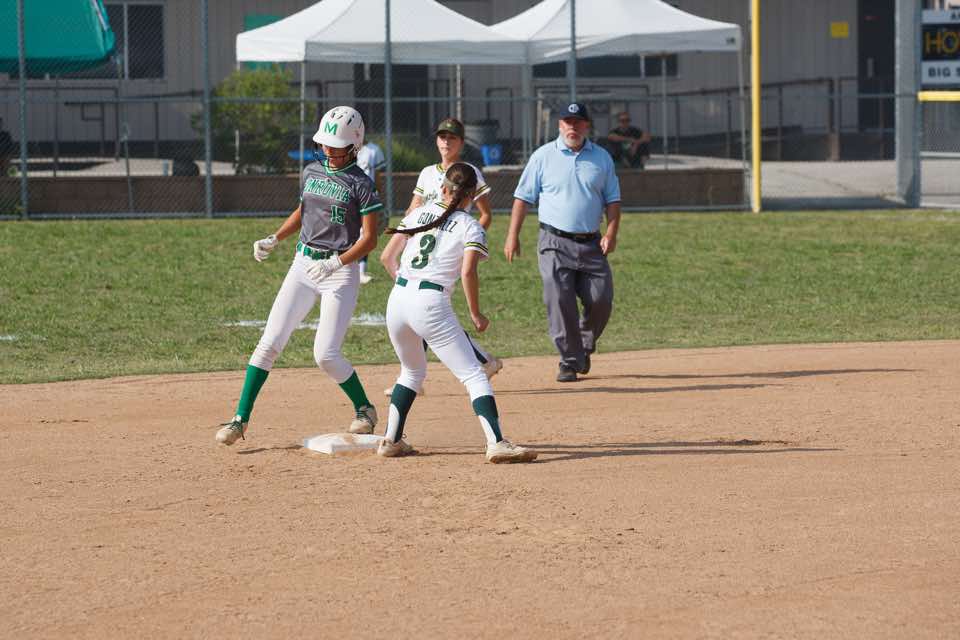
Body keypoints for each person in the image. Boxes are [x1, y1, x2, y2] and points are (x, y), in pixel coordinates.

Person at [216, 106, 383, 446]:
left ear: (354, 146)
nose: (328, 150)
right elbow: (304, 210)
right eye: (325, 144)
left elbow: (370, 239)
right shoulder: (311, 171)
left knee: (326, 354)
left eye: (336, 146)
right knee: (269, 342)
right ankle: (239, 420)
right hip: (303, 264)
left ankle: (364, 409)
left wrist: (336, 263)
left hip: (339, 272)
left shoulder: (362, 184)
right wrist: (275, 237)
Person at [377, 162, 537, 463]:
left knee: (411, 372)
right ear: (472, 195)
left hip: (397, 298)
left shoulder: (417, 213)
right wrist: (476, 314)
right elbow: (468, 272)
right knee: (475, 374)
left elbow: (387, 257)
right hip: (430, 301)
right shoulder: (470, 226)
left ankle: (391, 440)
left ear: (442, 188)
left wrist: (407, 286)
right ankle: (497, 443)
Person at [381, 117, 502, 397]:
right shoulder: (427, 173)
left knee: (431, 314)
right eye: (442, 137)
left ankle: (412, 378)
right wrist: (406, 235)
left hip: (448, 252)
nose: (446, 142)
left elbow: (485, 214)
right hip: (424, 249)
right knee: (427, 313)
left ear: (462, 142)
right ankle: (480, 362)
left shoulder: (469, 171)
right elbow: (414, 209)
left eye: (452, 137)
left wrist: (467, 245)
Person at [504, 102, 621, 383]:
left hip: (591, 243)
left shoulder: (602, 158)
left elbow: (613, 200)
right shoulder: (543, 156)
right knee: (559, 298)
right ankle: (569, 360)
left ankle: (582, 347)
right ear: (559, 125)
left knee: (601, 299)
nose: (573, 127)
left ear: (587, 126)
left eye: (578, 122)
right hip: (554, 241)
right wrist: (512, 235)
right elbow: (523, 198)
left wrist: (611, 233)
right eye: (568, 122)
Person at [356, 140, 387, 284]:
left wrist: (378, 197)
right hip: (349, 195)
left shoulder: (374, 150)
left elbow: (378, 176)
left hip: (368, 196)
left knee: (366, 233)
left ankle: (361, 271)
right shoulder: (345, 147)